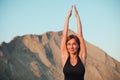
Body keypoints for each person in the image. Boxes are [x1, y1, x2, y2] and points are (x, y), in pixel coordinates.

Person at [60, 5, 87, 80]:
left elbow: (80, 36)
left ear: (78, 45)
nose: (71, 47)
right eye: (69, 44)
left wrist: (77, 17)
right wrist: (68, 17)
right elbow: (64, 35)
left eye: (74, 44)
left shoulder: (82, 57)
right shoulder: (65, 57)